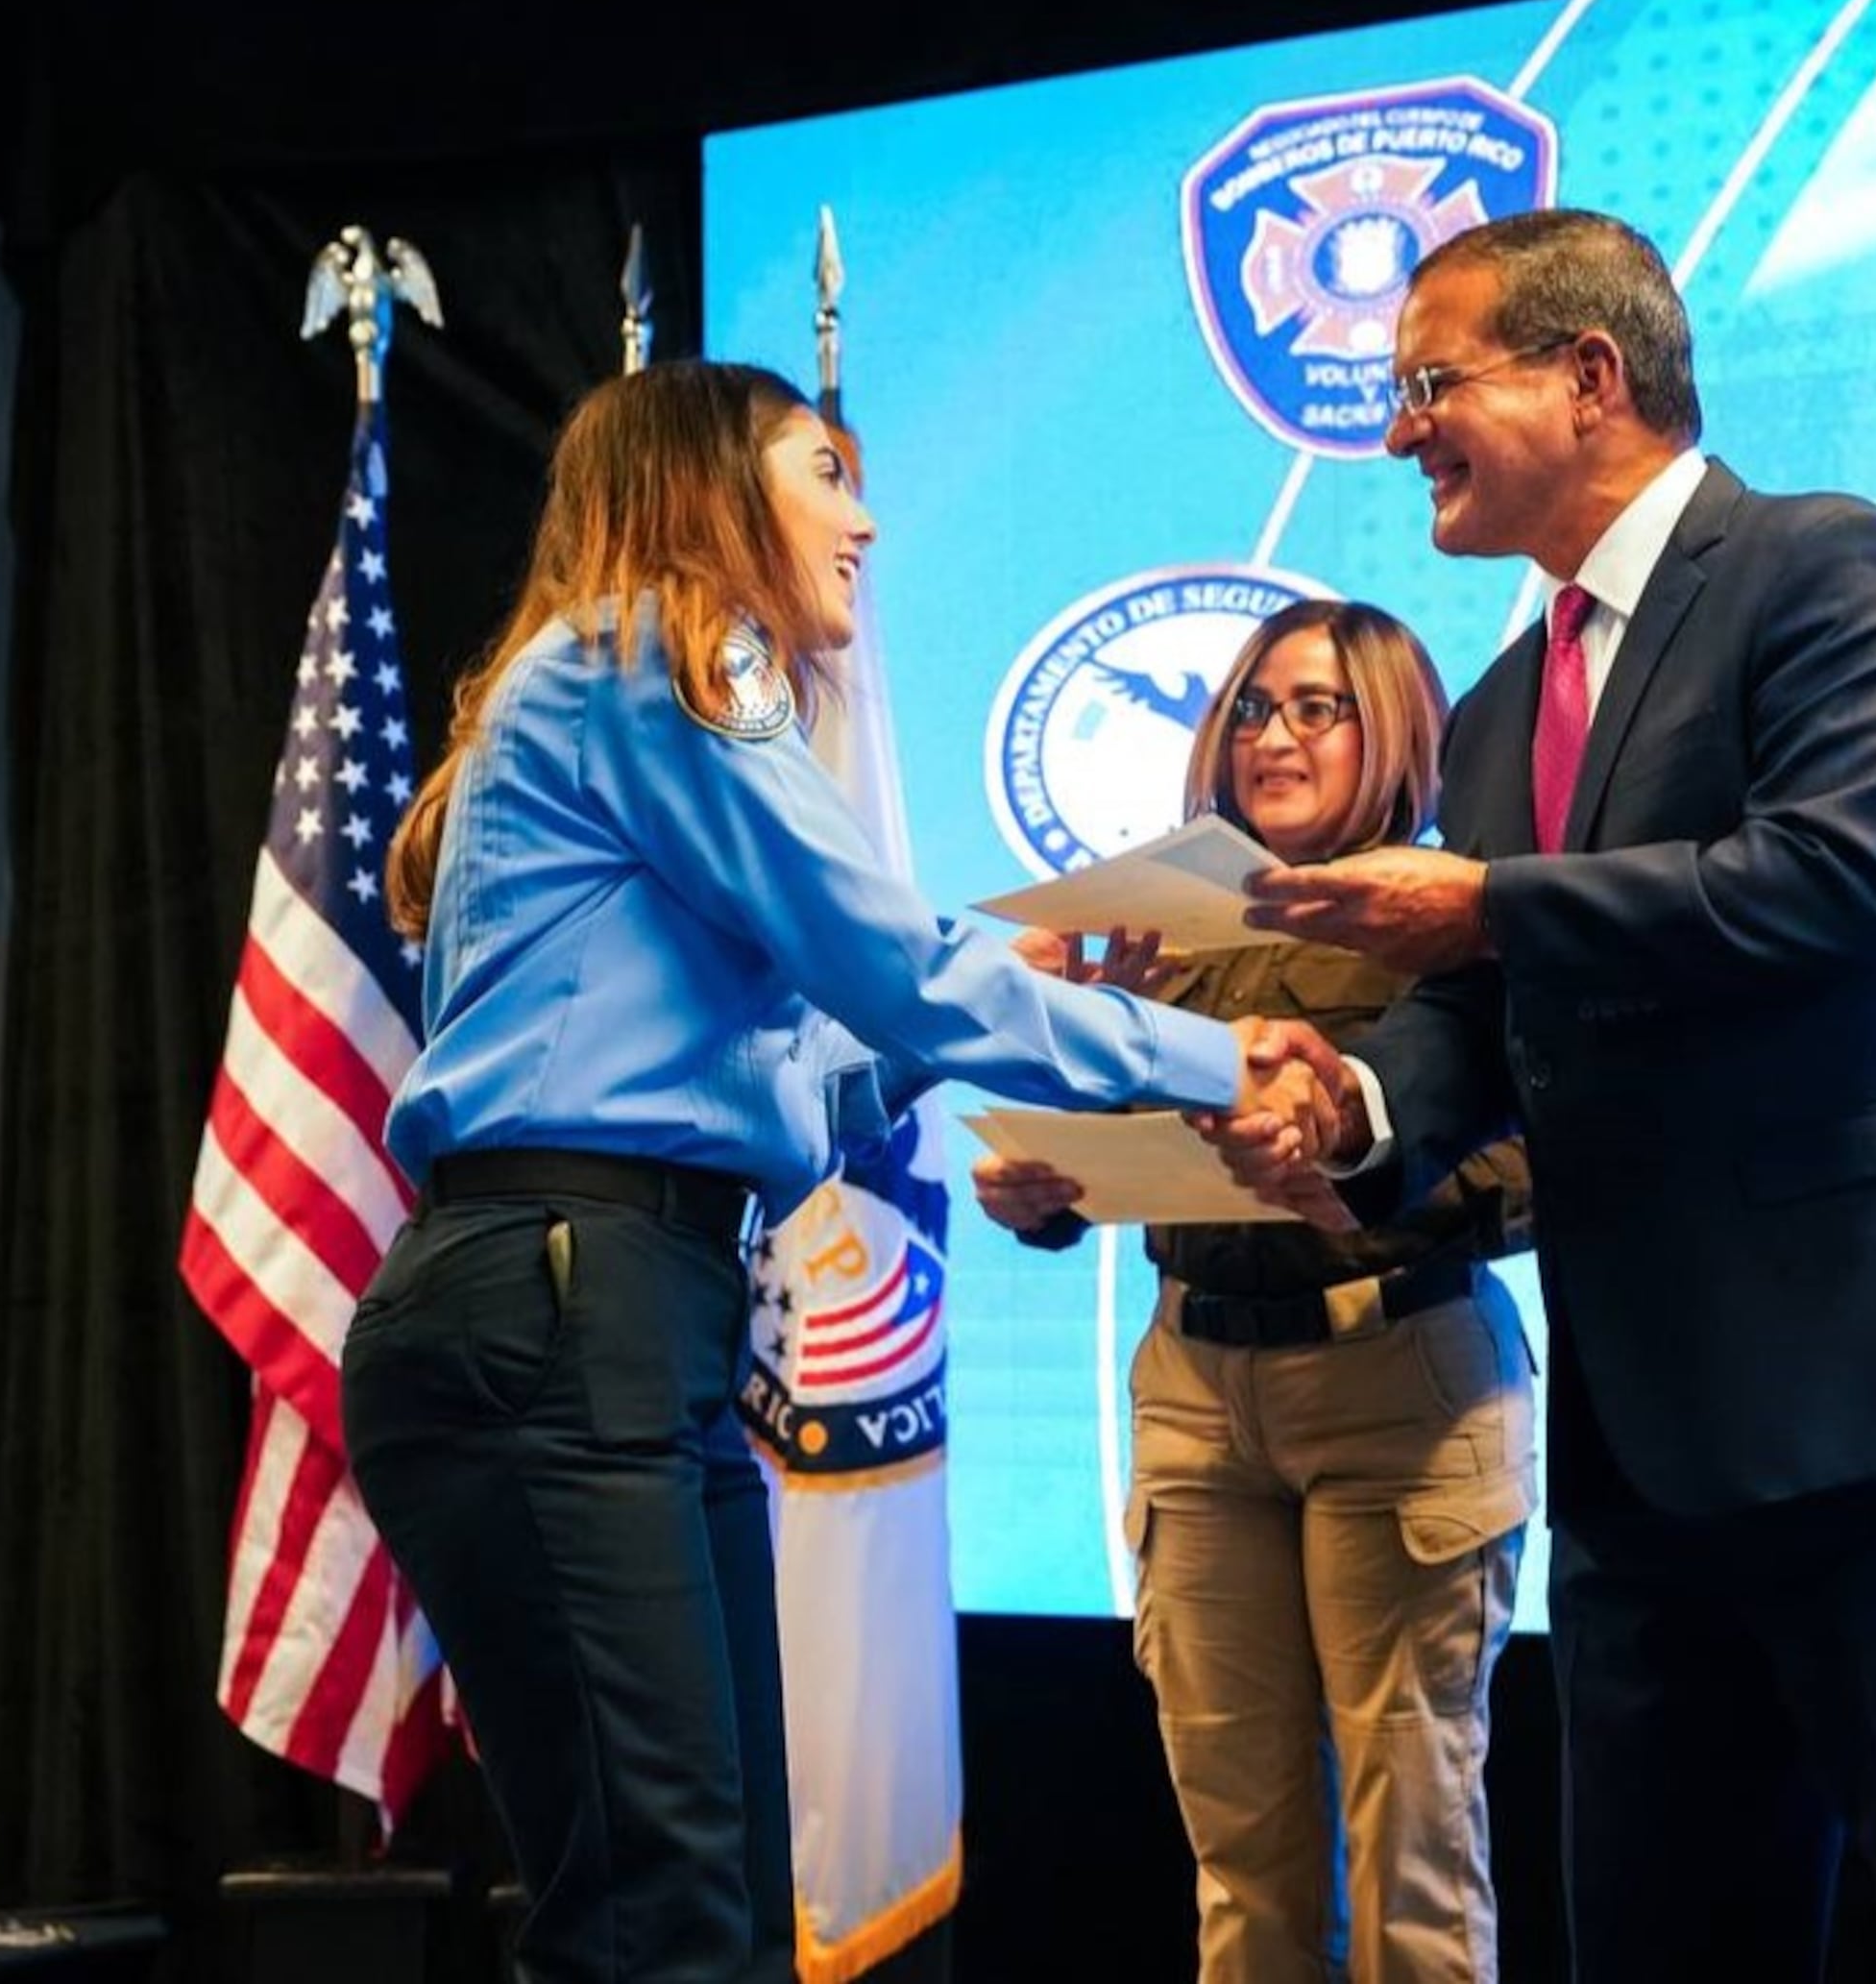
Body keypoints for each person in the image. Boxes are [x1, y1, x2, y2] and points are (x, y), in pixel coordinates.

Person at [1220, 210, 1876, 1982]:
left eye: (1430, 381)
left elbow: (1834, 884)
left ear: (1590, 378)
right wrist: (1347, 1107)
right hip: (1649, 1445)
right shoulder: (1498, 706)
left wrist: (1485, 901)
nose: (1398, 427)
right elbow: (1482, 1016)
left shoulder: (1825, 566)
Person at [337, 359, 1328, 1984]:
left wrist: (1042, 983)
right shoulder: (661, 652)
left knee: (708, 1898)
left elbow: (814, 1090)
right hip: (561, 1302)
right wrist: (1222, 1060)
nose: (866, 518)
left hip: (618, 1302)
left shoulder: (597, 681)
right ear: (708, 487)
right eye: (825, 472)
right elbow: (896, 966)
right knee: (659, 1912)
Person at [974, 600, 1539, 1983]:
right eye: (1251, 709)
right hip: (1194, 1394)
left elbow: (1541, 1158)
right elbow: (1118, 1157)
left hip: (1395, 1381)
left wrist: (1353, 1173)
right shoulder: (1151, 924)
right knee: (1241, 1870)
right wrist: (1041, 1192)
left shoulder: (1456, 913)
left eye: (1317, 708)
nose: (1273, 736)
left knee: (1411, 1850)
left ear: (1397, 727)